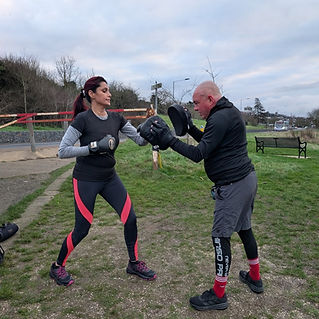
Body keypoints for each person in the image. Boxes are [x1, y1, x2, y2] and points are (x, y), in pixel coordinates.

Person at [140, 81, 263, 310]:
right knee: (244, 228)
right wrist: (190, 129)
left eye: (197, 103)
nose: (195, 109)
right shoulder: (227, 113)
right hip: (246, 179)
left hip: (233, 185)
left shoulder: (219, 118)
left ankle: (218, 295)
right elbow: (210, 144)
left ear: (210, 100)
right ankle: (255, 277)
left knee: (220, 236)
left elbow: (198, 154)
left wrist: (170, 140)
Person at [49, 76, 156, 286]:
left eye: (109, 90)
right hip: (86, 180)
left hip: (109, 178)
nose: (109, 94)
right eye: (105, 90)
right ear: (92, 94)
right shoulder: (82, 119)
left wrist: (153, 129)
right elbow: (62, 151)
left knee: (131, 218)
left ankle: (133, 263)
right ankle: (57, 266)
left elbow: (140, 141)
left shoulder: (116, 119)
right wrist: (92, 147)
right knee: (83, 227)